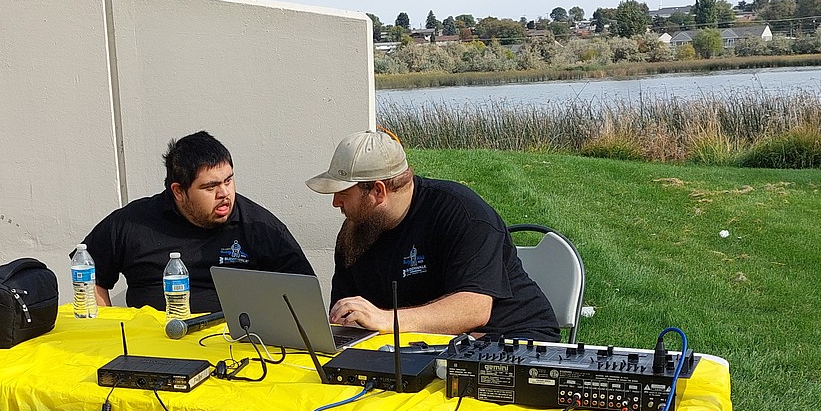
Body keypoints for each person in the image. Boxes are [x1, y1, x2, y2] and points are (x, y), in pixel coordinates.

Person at [305, 129, 559, 339]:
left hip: (510, 338)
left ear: (378, 191)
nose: (335, 203)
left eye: (343, 193)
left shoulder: (463, 213)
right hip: (416, 345)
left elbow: (474, 309)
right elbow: (348, 315)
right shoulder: (356, 231)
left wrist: (386, 319)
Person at [84, 131, 313, 312]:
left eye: (228, 180)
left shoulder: (260, 227)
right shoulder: (132, 222)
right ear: (179, 191)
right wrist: (106, 327)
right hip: (150, 352)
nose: (224, 193)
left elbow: (305, 296)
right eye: (210, 186)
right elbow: (87, 273)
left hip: (233, 352)